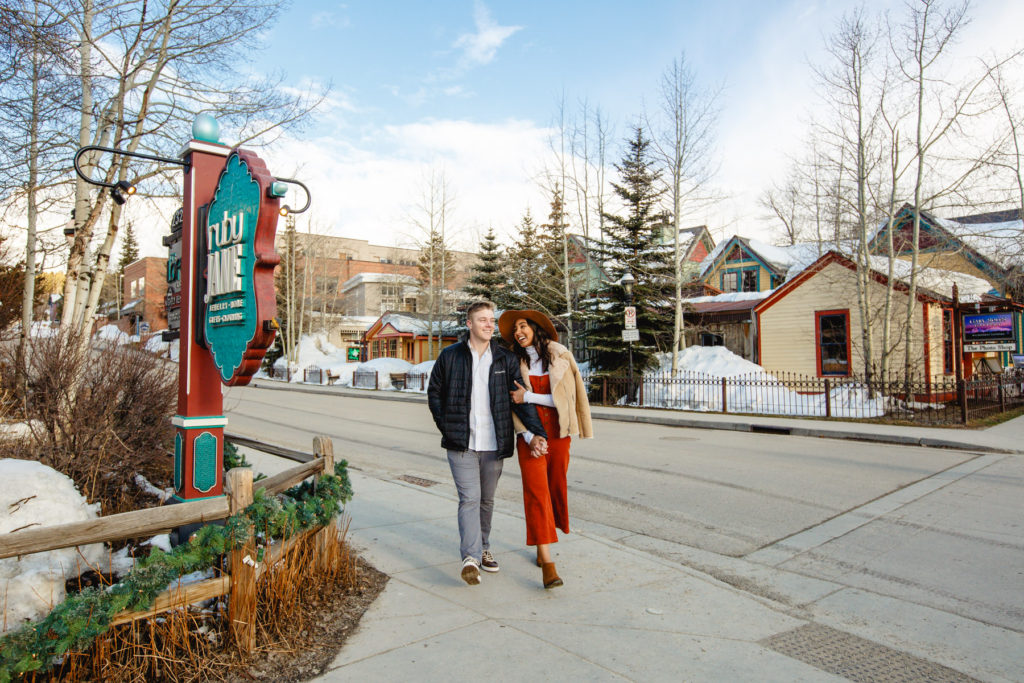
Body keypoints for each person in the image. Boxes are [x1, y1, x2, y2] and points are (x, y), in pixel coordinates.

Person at [428, 301, 548, 586]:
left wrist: (537, 432)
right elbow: (435, 393)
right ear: (469, 324)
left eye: (491, 320)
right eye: (482, 319)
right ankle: (470, 558)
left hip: (494, 443)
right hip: (462, 444)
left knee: (486, 500)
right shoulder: (450, 356)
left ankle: (483, 547)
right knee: (469, 498)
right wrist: (448, 427)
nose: (488, 324)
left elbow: (519, 398)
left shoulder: (504, 358)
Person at [498, 309, 593, 589]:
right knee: (536, 492)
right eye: (515, 329)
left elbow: (567, 399)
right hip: (529, 435)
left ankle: (542, 546)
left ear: (536, 327)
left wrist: (529, 396)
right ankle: (548, 564)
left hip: (558, 433)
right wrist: (528, 436)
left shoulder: (560, 355)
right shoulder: (513, 361)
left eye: (522, 326)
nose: (518, 332)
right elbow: (511, 403)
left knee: (553, 488)